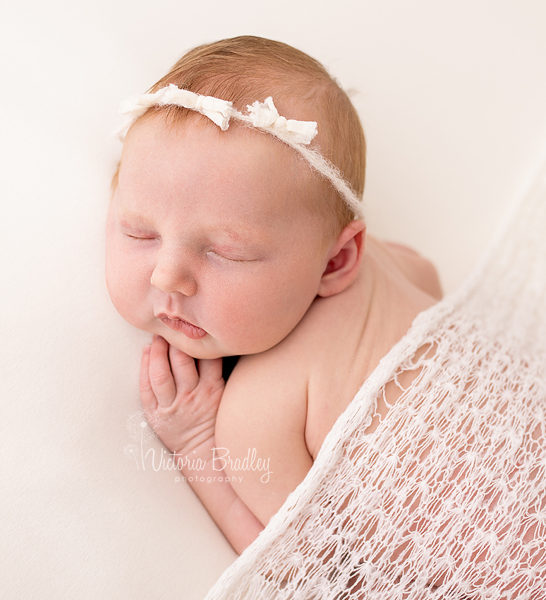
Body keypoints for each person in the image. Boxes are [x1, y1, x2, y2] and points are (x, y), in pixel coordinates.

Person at [105, 35, 442, 554]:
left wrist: (196, 444)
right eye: (139, 232)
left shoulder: (256, 417)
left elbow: (308, 569)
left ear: (336, 261)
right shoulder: (391, 264)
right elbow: (430, 277)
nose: (167, 277)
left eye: (227, 253)